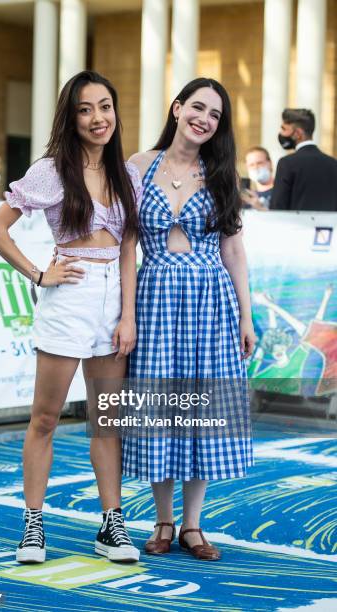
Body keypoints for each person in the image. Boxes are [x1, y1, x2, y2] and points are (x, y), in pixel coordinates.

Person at [0, 71, 142, 564]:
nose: (98, 118)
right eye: (85, 109)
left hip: (113, 299)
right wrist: (38, 273)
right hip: (68, 295)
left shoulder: (126, 173)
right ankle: (33, 527)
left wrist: (128, 315)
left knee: (106, 421)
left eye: (105, 107)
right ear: (71, 119)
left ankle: (111, 526)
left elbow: (129, 248)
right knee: (46, 418)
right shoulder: (52, 170)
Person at [123, 77, 255, 560]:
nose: (204, 118)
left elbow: (234, 249)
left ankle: (193, 526)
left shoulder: (221, 173)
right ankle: (162, 520)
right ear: (177, 108)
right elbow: (127, 244)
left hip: (210, 297)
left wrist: (246, 314)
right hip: (154, 293)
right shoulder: (138, 165)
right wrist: (126, 313)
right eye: (197, 107)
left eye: (215, 115)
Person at [271, 108, 337, 211]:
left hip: (295, 226)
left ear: (298, 133)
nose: (281, 133)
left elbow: (277, 207)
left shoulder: (287, 163)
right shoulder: (333, 164)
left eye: (284, 129)